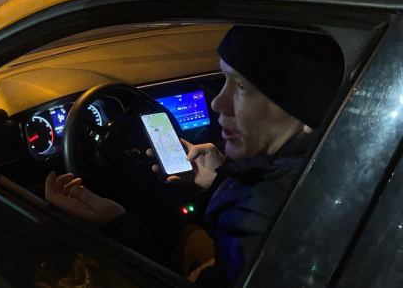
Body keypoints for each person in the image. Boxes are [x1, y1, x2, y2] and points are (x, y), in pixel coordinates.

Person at [45, 26, 345, 286]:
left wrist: (116, 226)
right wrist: (220, 179)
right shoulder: (325, 168)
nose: (217, 104)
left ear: (308, 111)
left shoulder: (255, 228)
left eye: (241, 87)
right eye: (223, 79)